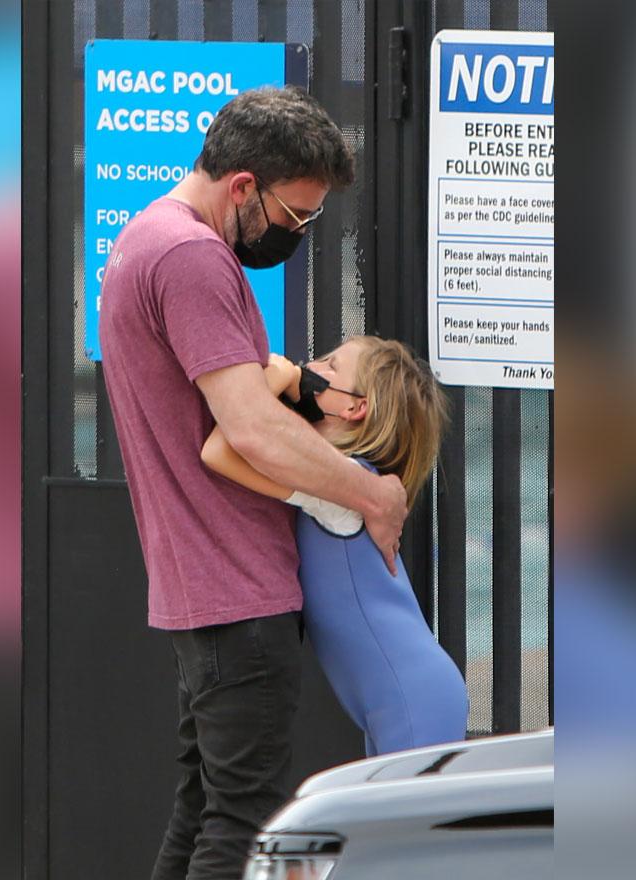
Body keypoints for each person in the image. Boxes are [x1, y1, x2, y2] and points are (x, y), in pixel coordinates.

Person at [97, 87, 409, 880]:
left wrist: (308, 387)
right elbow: (247, 428)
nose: (297, 234)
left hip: (197, 586)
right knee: (243, 822)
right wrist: (372, 492)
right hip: (238, 589)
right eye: (294, 217)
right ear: (243, 187)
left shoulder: (144, 238)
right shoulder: (194, 256)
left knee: (206, 808)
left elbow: (243, 385)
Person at [201, 337, 469, 756]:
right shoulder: (343, 482)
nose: (311, 366)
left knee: (403, 822)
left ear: (354, 407)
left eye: (329, 365)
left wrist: (282, 375)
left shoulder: (342, 487)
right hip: (401, 697)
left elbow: (218, 451)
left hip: (414, 698)